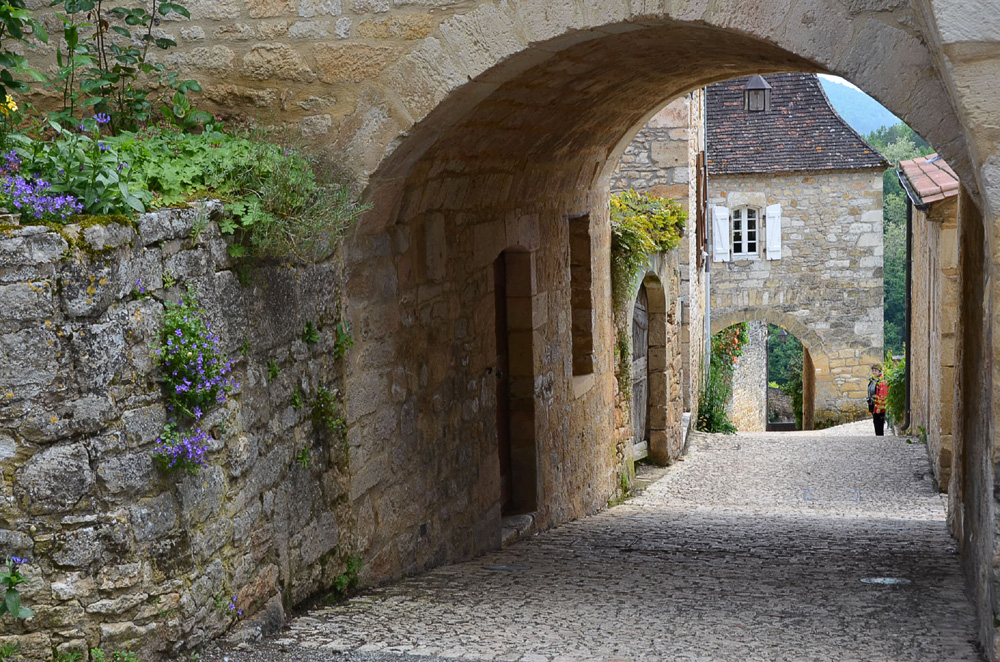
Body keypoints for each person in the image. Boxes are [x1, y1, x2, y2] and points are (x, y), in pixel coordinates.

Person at [867, 364, 888, 436]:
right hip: (873, 405)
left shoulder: (881, 381)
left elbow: (882, 394)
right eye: (873, 370)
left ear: (880, 372)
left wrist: (879, 407)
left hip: (878, 407)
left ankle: (880, 438)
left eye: (875, 370)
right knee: (876, 422)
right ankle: (878, 437)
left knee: (879, 423)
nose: (873, 372)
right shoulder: (873, 380)